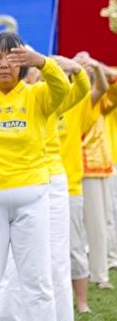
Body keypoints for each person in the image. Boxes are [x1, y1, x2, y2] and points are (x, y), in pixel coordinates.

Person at [0, 32, 69, 321]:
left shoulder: (37, 95)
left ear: (24, 63)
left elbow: (63, 88)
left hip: (32, 198)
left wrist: (44, 63)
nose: (3, 64)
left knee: (37, 281)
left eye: (11, 58)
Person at [0, 54, 89, 321]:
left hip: (51, 181)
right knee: (13, 261)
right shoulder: (4, 97)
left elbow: (81, 90)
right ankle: (11, 316)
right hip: (14, 180)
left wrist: (75, 68)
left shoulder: (47, 96)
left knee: (56, 257)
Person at [58, 54, 107, 314]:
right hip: (38, 186)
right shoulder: (38, 100)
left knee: (75, 246)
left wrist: (95, 67)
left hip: (70, 187)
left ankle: (82, 301)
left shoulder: (76, 106)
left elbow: (101, 89)